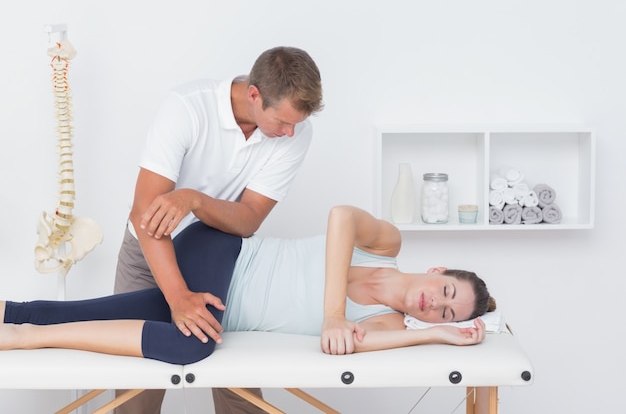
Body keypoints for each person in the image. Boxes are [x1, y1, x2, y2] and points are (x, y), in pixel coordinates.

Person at [1, 205, 495, 371]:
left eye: (446, 315)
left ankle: (15, 319)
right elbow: (342, 216)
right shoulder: (385, 244)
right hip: (221, 252)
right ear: (438, 273)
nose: (437, 307)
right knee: (190, 347)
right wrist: (331, 312)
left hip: (212, 302)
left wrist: (439, 337)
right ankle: (28, 341)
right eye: (448, 293)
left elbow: (342, 343)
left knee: (94, 311)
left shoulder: (381, 324)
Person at [113, 46, 323, 413]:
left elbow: (249, 218)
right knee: (137, 390)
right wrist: (178, 297)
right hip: (150, 253)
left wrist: (194, 200)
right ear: (254, 94)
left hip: (218, 259)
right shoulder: (186, 107)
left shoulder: (296, 133)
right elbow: (145, 214)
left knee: (237, 383)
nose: (290, 132)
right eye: (283, 122)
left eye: (296, 123)